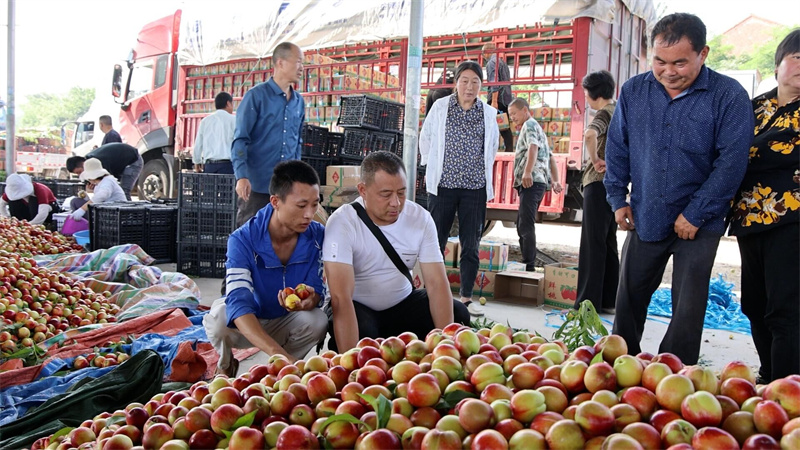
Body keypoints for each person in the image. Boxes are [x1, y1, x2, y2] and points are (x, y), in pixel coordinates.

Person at [603, 13, 754, 365]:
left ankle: (676, 375)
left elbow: (732, 161)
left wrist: (697, 212)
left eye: (680, 62)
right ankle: (616, 369)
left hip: (699, 225)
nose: (669, 71)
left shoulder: (728, 96)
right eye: (660, 61)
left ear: (703, 53)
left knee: (688, 308)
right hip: (646, 214)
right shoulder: (634, 91)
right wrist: (617, 198)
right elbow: (618, 147)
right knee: (629, 298)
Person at [323, 151, 470, 352]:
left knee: (458, 313)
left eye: (401, 193)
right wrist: (350, 363)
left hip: (402, 305)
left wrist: (444, 348)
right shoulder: (343, 222)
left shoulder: (420, 218)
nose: (395, 203)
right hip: (358, 309)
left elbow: (436, 283)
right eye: (386, 194)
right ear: (363, 190)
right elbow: (341, 297)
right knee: (364, 336)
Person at [203, 160, 327, 376]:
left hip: (286, 320)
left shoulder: (317, 236)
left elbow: (317, 288)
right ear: (275, 202)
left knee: (317, 320)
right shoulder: (242, 240)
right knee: (220, 319)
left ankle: (282, 374)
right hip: (250, 320)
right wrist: (276, 353)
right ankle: (225, 364)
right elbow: (239, 301)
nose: (309, 214)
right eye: (301, 205)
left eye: (315, 205)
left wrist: (311, 299)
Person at [729, 29, 800, 383]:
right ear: (778, 66)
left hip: (791, 221)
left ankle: (787, 387)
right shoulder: (753, 107)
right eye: (797, 57)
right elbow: (727, 150)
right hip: (748, 219)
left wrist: (750, 153)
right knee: (753, 305)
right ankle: (769, 374)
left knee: (785, 308)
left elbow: (758, 153)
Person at [420, 60, 500, 317]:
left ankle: (466, 297)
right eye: (464, 81)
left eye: (475, 82)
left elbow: (494, 144)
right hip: (443, 186)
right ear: (456, 83)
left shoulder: (487, 113)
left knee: (471, 244)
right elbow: (427, 137)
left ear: (481, 86)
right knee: (436, 241)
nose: (469, 86)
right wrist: (429, 166)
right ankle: (435, 294)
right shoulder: (441, 107)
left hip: (474, 187)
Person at [232, 42, 305, 227]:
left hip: (285, 188)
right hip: (257, 185)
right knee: (251, 237)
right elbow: (240, 139)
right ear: (280, 63)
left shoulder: (299, 102)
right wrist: (241, 176)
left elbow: (297, 142)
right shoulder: (256, 97)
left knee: (281, 239)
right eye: (298, 62)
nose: (302, 68)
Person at [574, 70, 619, 314]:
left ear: (593, 93)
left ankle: (586, 305)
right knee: (608, 242)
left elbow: (590, 133)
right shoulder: (619, 111)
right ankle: (609, 300)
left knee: (592, 244)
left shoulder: (603, 113)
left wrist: (595, 159)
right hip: (614, 185)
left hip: (597, 182)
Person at [506, 97, 563, 271]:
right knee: (522, 222)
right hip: (538, 182)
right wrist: (555, 180)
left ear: (525, 110)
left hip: (532, 182)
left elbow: (533, 147)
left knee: (525, 224)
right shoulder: (538, 128)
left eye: (514, 113)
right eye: (510, 115)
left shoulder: (529, 125)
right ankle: (527, 260)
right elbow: (551, 157)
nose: (512, 118)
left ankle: (528, 264)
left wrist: (528, 171)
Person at [66, 143, 143, 201]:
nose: (81, 175)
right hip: (121, 161)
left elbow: (108, 182)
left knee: (124, 190)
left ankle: (128, 215)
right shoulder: (91, 160)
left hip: (133, 161)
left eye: (79, 172)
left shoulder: (99, 162)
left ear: (83, 164)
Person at [192, 92, 236, 174]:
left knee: (210, 186)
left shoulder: (205, 121)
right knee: (227, 187)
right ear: (228, 103)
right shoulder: (234, 120)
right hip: (228, 167)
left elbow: (198, 144)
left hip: (209, 167)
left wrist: (197, 163)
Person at [483, 43, 514, 152]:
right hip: (505, 98)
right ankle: (508, 148)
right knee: (504, 125)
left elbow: (494, 82)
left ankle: (493, 149)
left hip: (497, 98)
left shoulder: (492, 63)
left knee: (493, 124)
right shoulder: (502, 62)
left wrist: (494, 102)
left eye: (483, 53)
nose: (483, 56)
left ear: (488, 51)